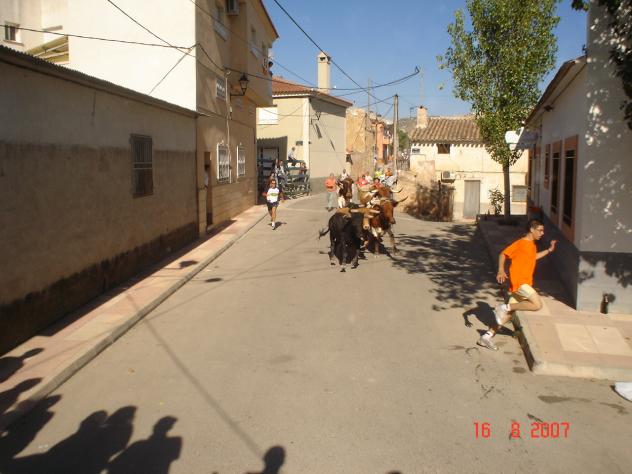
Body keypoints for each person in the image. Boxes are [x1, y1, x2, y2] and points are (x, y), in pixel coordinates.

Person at [478, 219, 557, 351]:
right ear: (531, 229)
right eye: (540, 230)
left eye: (543, 231)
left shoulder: (532, 244)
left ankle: (486, 337)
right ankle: (503, 307)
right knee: (537, 304)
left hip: (525, 283)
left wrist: (549, 250)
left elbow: (533, 257)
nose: (542, 233)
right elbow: (503, 254)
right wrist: (501, 270)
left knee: (508, 314)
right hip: (519, 282)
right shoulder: (521, 243)